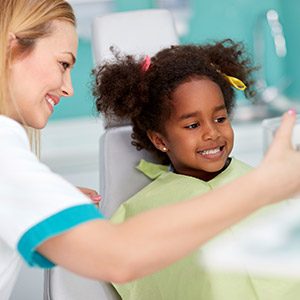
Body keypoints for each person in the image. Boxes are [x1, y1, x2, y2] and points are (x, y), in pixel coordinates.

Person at [1, 1, 300, 299]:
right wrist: (262, 187)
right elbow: (117, 257)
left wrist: (49, 197)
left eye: (220, 118)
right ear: (13, 49)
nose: (69, 88)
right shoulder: (7, 159)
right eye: (63, 64)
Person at [94, 41, 300, 300]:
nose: (212, 133)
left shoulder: (260, 181)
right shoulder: (144, 211)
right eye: (192, 125)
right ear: (159, 140)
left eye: (220, 119)